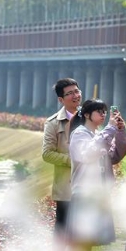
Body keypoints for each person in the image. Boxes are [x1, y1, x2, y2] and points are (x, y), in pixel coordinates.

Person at [67, 99, 126, 251]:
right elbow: (87, 154)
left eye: (104, 112)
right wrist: (109, 130)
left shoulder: (100, 134)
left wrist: (120, 131)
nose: (103, 115)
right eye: (99, 112)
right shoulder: (80, 134)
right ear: (87, 114)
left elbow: (116, 155)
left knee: (90, 237)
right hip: (84, 192)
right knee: (82, 237)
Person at [42, 78, 81, 236]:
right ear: (61, 99)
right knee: (63, 229)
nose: (75, 95)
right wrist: (73, 161)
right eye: (70, 93)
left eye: (77, 91)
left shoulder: (90, 118)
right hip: (66, 187)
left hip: (89, 186)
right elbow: (47, 154)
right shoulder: (53, 123)